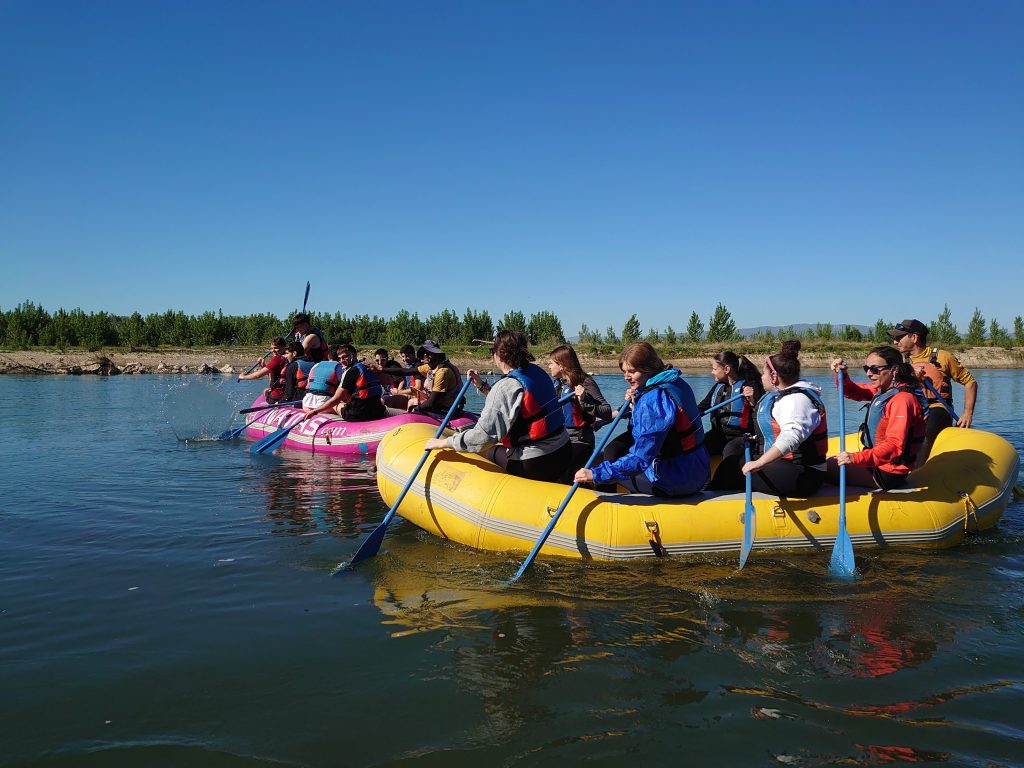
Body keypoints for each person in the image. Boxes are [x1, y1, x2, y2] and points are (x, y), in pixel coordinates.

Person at [424, 330, 571, 482]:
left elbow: (482, 438)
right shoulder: (537, 372)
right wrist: (481, 385)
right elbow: (515, 403)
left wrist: (444, 443)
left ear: (499, 354)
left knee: (490, 452)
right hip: (564, 450)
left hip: (536, 461)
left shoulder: (506, 386)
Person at [574, 342, 709, 497]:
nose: (626, 377)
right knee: (614, 450)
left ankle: (608, 504)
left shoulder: (653, 400)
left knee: (604, 467)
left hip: (674, 480)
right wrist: (636, 403)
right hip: (698, 468)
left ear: (648, 368)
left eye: (632, 371)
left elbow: (641, 457)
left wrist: (596, 474)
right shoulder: (674, 381)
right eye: (624, 372)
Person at [709, 340, 827, 497]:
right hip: (786, 464)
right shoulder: (779, 397)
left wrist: (759, 463)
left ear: (774, 377)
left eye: (763, 373)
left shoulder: (797, 400)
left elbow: (791, 437)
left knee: (733, 469)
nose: (761, 377)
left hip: (803, 473)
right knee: (732, 460)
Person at [827, 346, 927, 490]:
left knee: (823, 468)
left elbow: (894, 446)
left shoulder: (902, 400)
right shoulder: (886, 390)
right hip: (878, 463)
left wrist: (855, 458)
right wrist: (842, 374)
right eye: (866, 368)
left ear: (894, 369)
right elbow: (853, 391)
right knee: (827, 463)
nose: (868, 373)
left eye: (874, 369)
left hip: (887, 471)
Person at [887, 319, 977, 465]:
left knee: (926, 429)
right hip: (912, 408)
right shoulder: (901, 362)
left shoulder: (943, 357)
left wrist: (967, 414)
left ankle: (918, 472)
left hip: (937, 408)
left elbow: (970, 382)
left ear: (914, 337)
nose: (895, 342)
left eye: (899, 337)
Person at [547, 344, 612, 480]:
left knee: (563, 473)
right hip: (561, 439)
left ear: (561, 365)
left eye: (551, 363)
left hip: (580, 440)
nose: (549, 367)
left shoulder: (585, 382)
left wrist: (584, 399)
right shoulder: (559, 384)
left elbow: (606, 411)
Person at [697, 351, 764, 456]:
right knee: (697, 451)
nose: (712, 372)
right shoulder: (719, 386)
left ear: (726, 369)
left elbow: (762, 413)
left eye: (714, 369)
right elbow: (701, 408)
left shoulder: (750, 385)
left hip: (741, 437)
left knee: (729, 452)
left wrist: (752, 401)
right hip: (718, 434)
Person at [382, 340, 464, 418]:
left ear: (437, 355)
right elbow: (405, 371)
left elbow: (431, 402)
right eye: (425, 353)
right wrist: (381, 369)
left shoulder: (442, 372)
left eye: (429, 353)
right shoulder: (430, 366)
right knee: (389, 400)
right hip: (435, 405)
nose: (425, 356)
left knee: (412, 405)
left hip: (444, 410)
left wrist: (414, 409)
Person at [305, 344, 386, 422]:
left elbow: (336, 399)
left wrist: (315, 411)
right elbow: (388, 381)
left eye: (345, 357)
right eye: (340, 359)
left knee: (336, 404)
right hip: (378, 411)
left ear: (353, 355)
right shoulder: (370, 367)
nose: (341, 361)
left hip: (358, 415)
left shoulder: (349, 372)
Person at [238, 337, 288, 403]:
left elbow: (258, 375)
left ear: (283, 347)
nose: (273, 350)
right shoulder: (289, 357)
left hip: (278, 396)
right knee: (267, 390)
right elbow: (273, 377)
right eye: (271, 348)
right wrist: (264, 366)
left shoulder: (277, 359)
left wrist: (243, 377)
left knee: (265, 391)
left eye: (275, 348)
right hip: (287, 393)